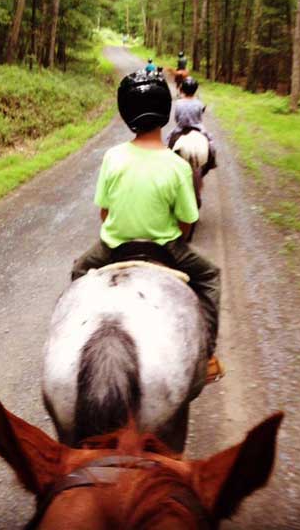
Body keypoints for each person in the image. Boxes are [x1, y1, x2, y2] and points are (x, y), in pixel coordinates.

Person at [71, 70, 221, 359]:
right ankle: (208, 354)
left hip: (114, 245)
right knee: (211, 275)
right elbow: (187, 221)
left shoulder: (112, 157)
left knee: (79, 270)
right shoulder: (177, 166)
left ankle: (78, 345)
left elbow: (104, 211)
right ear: (165, 112)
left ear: (127, 116)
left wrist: (120, 229)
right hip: (165, 247)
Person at [167, 76, 217, 174]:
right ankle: (212, 161)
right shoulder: (199, 103)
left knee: (168, 139)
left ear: (183, 89)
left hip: (181, 128)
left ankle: (167, 160)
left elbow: (176, 118)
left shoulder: (178, 103)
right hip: (197, 128)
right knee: (210, 142)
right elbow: (200, 116)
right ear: (195, 90)